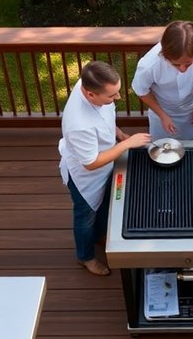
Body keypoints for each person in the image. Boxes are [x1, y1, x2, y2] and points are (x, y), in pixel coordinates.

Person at [59, 60, 151, 276]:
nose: (117, 98)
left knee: (105, 205)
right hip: (86, 178)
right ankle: (85, 257)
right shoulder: (78, 124)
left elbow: (105, 117)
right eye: (111, 96)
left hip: (107, 161)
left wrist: (118, 134)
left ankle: (99, 234)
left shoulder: (90, 83)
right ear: (90, 95)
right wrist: (126, 144)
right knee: (85, 216)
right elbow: (91, 164)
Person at [131, 21, 193, 141]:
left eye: (188, 64)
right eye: (176, 64)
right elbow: (141, 91)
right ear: (164, 54)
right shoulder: (149, 65)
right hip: (163, 113)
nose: (183, 69)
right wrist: (162, 116)